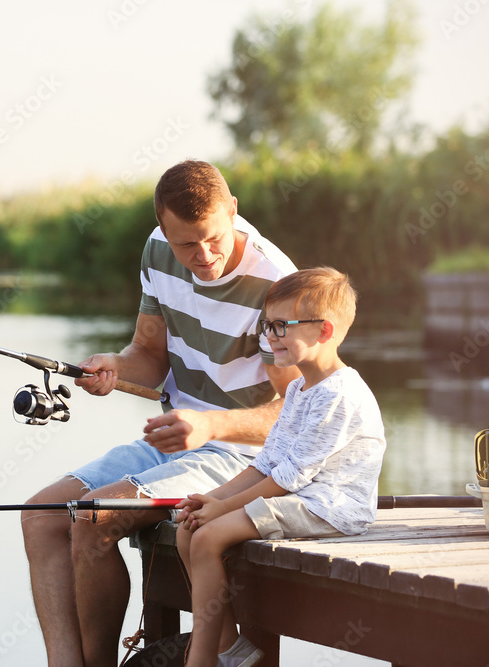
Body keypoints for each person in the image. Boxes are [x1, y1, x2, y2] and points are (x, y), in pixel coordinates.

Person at [21, 160, 301, 667]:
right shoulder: (157, 249)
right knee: (40, 517)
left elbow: (297, 413)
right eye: (186, 245)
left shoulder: (277, 284)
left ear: (233, 210)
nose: (203, 255)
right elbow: (148, 358)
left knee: (93, 516)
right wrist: (113, 366)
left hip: (246, 456)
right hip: (174, 440)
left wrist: (211, 424)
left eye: (213, 238)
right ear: (163, 230)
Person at [174, 267, 387, 667]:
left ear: (323, 331)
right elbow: (269, 461)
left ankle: (201, 659)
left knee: (206, 538)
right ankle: (231, 651)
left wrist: (223, 509)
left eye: (280, 326)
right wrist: (213, 498)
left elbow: (292, 476)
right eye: (266, 326)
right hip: (298, 496)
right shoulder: (296, 388)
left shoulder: (339, 394)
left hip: (331, 506)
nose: (269, 337)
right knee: (189, 532)